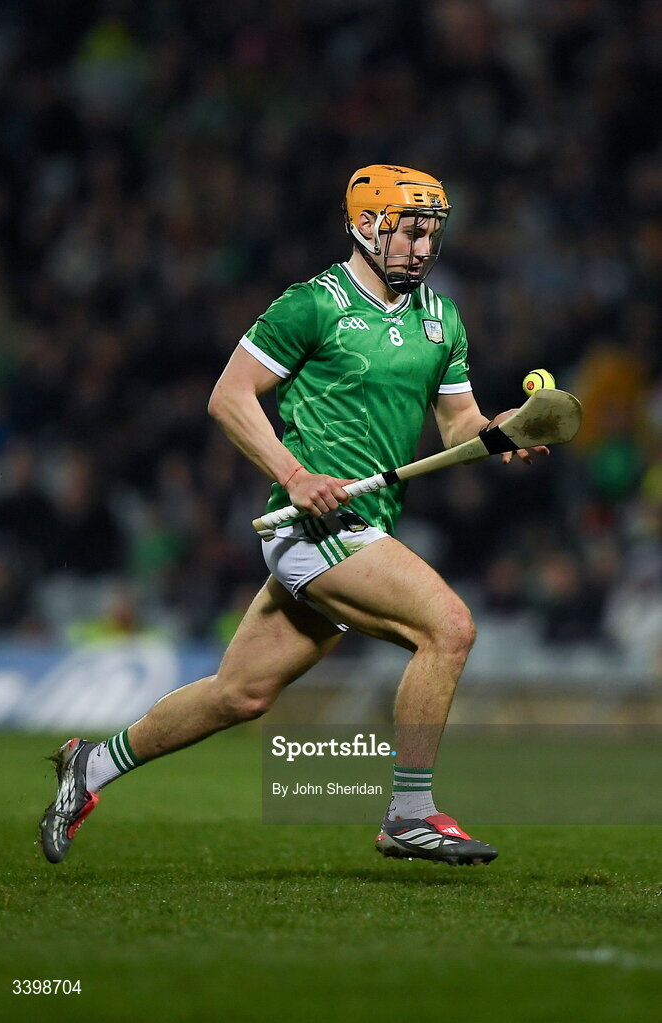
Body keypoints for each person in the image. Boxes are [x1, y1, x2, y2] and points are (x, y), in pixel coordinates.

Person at [40, 164, 548, 866]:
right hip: (313, 527)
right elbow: (229, 397)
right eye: (408, 230)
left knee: (238, 694)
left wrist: (502, 432)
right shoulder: (312, 305)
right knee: (450, 627)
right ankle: (409, 813)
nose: (422, 246)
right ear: (365, 225)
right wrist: (295, 473)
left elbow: (459, 425)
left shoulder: (442, 318)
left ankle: (89, 767)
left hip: (365, 527)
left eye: (431, 231)